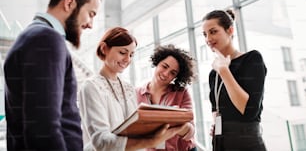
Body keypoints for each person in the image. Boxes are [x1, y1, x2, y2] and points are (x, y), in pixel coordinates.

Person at [3, 0, 102, 151]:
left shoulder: (32, 36)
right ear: (70, 3)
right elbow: (43, 130)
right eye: (91, 14)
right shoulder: (46, 40)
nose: (90, 24)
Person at [78, 27, 187, 151]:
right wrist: (151, 141)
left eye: (131, 54)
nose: (127, 59)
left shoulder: (128, 88)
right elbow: (101, 141)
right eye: (122, 53)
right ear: (104, 49)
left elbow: (136, 132)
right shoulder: (91, 87)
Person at [202, 9, 267, 151]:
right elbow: (215, 108)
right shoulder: (214, 73)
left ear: (230, 30)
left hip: (246, 143)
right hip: (221, 142)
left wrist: (225, 71)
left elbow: (249, 111)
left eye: (213, 32)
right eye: (205, 34)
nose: (208, 39)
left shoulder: (252, 59)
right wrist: (218, 125)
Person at [136, 44, 197, 151]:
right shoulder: (136, 94)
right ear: (157, 62)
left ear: (176, 77)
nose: (166, 74)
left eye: (173, 73)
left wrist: (172, 122)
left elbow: (190, 130)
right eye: (164, 66)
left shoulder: (182, 93)